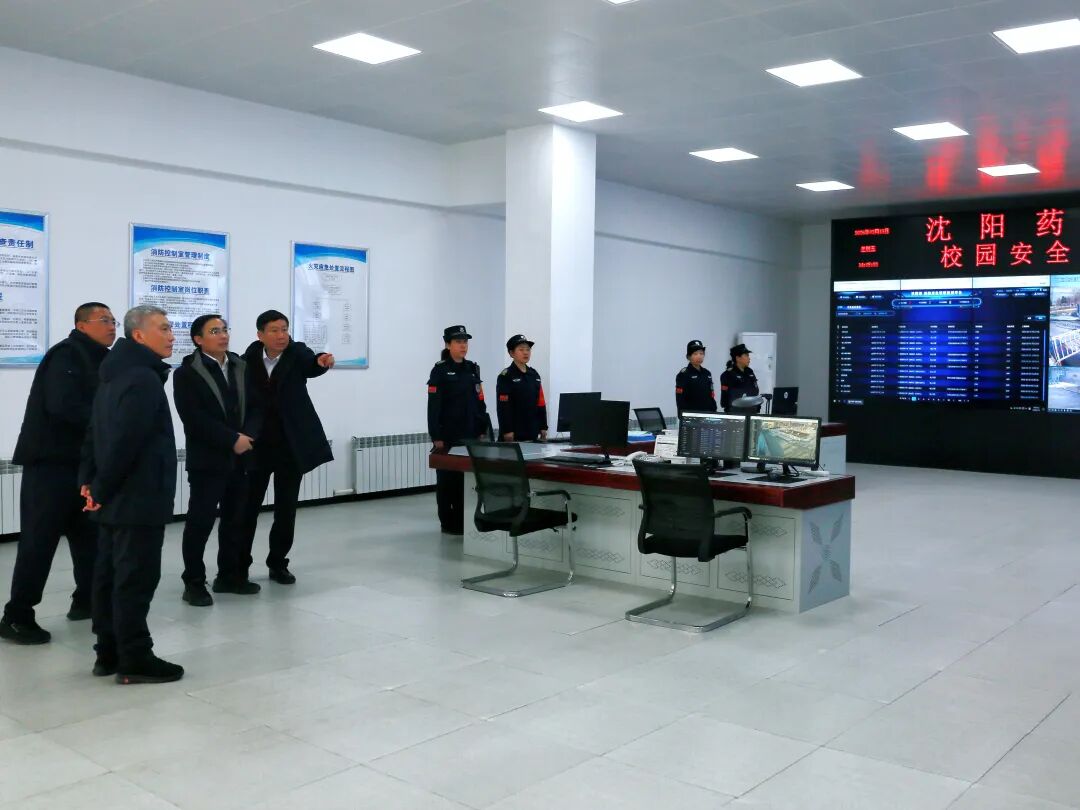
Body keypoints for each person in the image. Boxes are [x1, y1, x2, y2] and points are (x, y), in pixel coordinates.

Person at [0, 303, 116, 645]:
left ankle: (86, 600)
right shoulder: (66, 354)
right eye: (104, 320)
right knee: (39, 542)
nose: (112, 326)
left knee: (89, 538)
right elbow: (63, 406)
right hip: (50, 466)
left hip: (81, 465)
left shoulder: (101, 358)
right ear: (81, 325)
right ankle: (17, 616)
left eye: (113, 320)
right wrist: (110, 423)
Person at [81, 305, 183, 684]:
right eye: (164, 328)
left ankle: (108, 652)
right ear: (139, 335)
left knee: (109, 574)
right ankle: (135, 658)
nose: (172, 335)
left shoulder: (114, 372)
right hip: (138, 495)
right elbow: (127, 441)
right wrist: (100, 486)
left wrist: (91, 482)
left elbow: (94, 432)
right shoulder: (142, 378)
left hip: (114, 495)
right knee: (135, 578)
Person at [239, 310, 334, 585]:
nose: (281, 335)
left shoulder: (297, 353)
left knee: (286, 508)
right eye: (274, 330)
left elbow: (312, 363)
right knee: (247, 508)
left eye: (284, 329)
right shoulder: (247, 359)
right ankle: (240, 564)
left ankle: (278, 563)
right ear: (260, 334)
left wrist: (321, 361)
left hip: (290, 446)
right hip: (257, 446)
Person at [173, 314, 257, 607]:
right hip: (208, 460)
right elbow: (194, 418)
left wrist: (247, 436)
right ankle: (194, 582)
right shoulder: (186, 373)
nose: (223, 335)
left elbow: (256, 407)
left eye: (224, 329)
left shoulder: (240, 366)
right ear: (198, 339)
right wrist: (231, 439)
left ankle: (229, 576)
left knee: (236, 520)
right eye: (214, 331)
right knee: (200, 522)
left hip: (242, 457)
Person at [427, 325, 489, 535]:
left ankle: (464, 520)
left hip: (470, 433)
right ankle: (448, 522)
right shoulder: (440, 370)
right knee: (447, 481)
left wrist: (482, 427)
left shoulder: (472, 368)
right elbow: (434, 406)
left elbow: (479, 401)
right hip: (448, 435)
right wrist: (436, 436)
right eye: (458, 342)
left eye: (465, 342)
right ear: (448, 345)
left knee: (466, 480)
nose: (463, 346)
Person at [496, 334, 547, 442]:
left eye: (528, 349)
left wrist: (543, 426)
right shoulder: (506, 376)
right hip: (514, 434)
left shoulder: (534, 375)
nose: (526, 352)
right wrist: (507, 430)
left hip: (532, 432)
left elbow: (541, 403)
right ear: (511, 353)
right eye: (521, 349)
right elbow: (503, 407)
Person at [675, 339, 717, 415]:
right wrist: (683, 416)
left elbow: (711, 395)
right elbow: (680, 400)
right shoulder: (684, 374)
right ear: (688, 357)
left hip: (708, 414)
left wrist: (714, 412)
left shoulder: (707, 373)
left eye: (701, 353)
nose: (699, 356)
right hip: (692, 415)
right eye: (695, 354)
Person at [720, 343, 760, 412]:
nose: (749, 358)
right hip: (735, 413)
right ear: (738, 358)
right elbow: (725, 400)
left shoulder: (750, 372)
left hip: (752, 411)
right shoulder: (728, 374)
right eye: (746, 355)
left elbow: (755, 391)